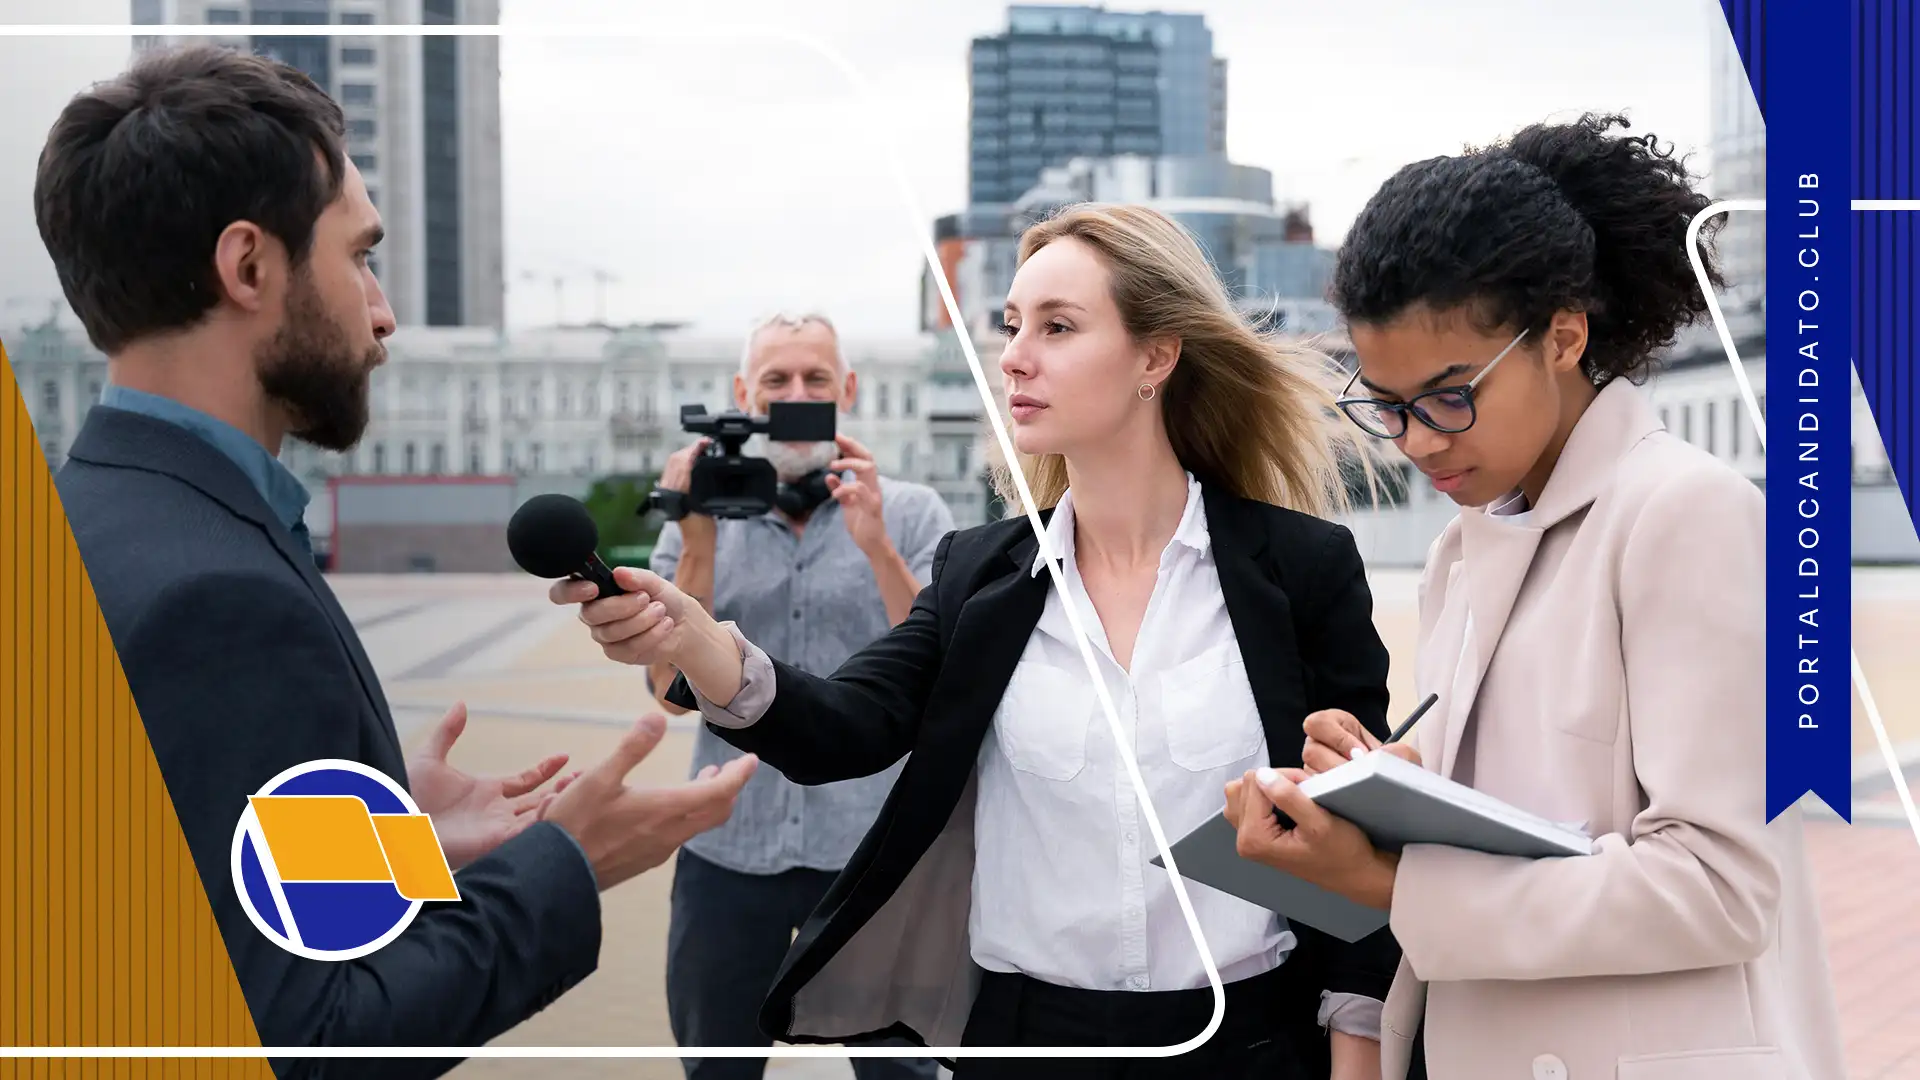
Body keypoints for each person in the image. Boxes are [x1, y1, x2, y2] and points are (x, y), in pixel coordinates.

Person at [554, 203, 1402, 1079]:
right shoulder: (980, 574)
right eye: (1010, 327)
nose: (1014, 356)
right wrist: (696, 640)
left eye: (1058, 327)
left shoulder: (1303, 570)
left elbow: (1356, 843)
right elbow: (845, 723)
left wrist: (1357, 1055)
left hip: (1249, 1045)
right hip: (1022, 1042)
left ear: (1156, 356)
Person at [40, 43, 756, 1077]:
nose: (382, 314)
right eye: (360, 257)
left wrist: (386, 845)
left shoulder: (85, 520)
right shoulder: (219, 599)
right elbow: (310, 1044)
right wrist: (566, 865)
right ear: (249, 266)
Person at [1221, 113, 1849, 1080]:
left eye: (1447, 395)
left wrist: (1392, 883)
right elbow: (1539, 807)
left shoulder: (1687, 513)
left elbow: (1721, 886)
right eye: (1385, 406)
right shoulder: (1459, 554)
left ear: (1563, 335)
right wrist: (1388, 788)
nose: (1418, 441)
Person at [644, 311, 950, 1080]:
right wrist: (700, 541)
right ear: (744, 394)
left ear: (846, 389)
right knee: (717, 1065)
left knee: (901, 1071)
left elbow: (942, 671)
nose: (796, 393)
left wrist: (875, 543)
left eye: (815, 378)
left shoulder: (910, 511)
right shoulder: (696, 514)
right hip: (729, 844)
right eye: (776, 380)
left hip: (871, 849)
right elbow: (667, 691)